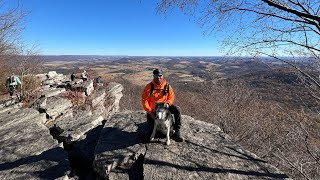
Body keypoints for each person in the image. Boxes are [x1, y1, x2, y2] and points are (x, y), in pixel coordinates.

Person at [141, 68, 184, 142]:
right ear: (153, 76)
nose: (158, 77)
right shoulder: (149, 87)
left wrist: (168, 103)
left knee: (177, 110)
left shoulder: (167, 86)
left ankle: (177, 131)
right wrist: (150, 112)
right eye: (156, 76)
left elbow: (171, 96)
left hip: (165, 107)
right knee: (150, 134)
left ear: (163, 76)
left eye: (160, 75)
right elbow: (144, 100)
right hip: (154, 109)